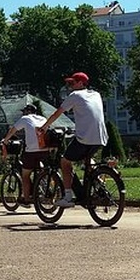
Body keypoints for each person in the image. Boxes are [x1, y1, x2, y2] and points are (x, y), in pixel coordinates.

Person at [39, 72, 108, 208]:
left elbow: (57, 113)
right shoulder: (96, 94)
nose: (70, 85)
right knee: (87, 160)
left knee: (65, 162)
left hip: (85, 139)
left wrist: (44, 127)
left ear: (81, 83)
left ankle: (68, 197)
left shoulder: (75, 96)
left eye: (73, 82)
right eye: (69, 83)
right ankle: (98, 186)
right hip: (101, 138)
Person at [0, 103, 49, 201]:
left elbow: (12, 131)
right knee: (43, 170)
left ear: (28, 112)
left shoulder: (25, 119)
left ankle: (26, 200)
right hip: (45, 150)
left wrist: (5, 140)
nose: (23, 114)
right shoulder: (43, 119)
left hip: (31, 152)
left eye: (24, 112)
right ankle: (45, 185)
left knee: (25, 175)